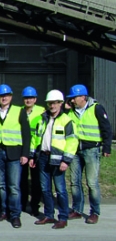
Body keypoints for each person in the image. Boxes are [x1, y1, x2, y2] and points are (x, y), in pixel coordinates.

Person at [29, 90, 77, 229]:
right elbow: (35, 139)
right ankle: (49, 215)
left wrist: (66, 161)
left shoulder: (66, 121)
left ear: (61, 103)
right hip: (43, 157)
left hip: (58, 159)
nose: (53, 105)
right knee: (45, 189)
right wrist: (33, 156)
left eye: (56, 102)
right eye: (50, 103)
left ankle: (62, 217)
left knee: (60, 190)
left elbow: (72, 142)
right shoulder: (43, 119)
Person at [66, 84, 112, 224]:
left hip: (91, 150)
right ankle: (77, 210)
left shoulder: (96, 108)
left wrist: (107, 147)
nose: (72, 101)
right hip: (75, 149)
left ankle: (94, 212)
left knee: (92, 183)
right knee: (75, 182)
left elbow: (106, 128)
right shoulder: (71, 112)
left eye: (74, 98)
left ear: (83, 97)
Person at [0, 84, 31, 228]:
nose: (4, 98)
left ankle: (15, 215)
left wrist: (25, 154)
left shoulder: (19, 111)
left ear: (11, 96)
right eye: (1, 96)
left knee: (13, 186)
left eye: (6, 95)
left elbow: (26, 134)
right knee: (1, 186)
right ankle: (4, 211)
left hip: (14, 153)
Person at [20, 86, 45, 217]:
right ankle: (23, 204)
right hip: (23, 151)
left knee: (36, 180)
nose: (28, 100)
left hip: (36, 151)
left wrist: (34, 154)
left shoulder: (42, 112)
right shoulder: (20, 112)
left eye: (31, 98)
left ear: (35, 99)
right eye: (26, 98)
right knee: (22, 180)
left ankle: (35, 205)